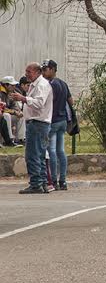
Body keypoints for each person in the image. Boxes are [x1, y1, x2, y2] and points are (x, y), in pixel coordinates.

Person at [11, 63, 53, 194]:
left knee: (33, 155)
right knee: (39, 155)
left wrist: (23, 98)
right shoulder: (36, 85)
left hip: (38, 123)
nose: (26, 74)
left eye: (29, 71)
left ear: (37, 72)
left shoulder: (41, 85)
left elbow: (39, 103)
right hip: (37, 123)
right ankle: (43, 182)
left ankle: (36, 184)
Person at [41, 60, 74, 191]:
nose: (44, 72)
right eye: (43, 69)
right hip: (63, 121)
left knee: (52, 151)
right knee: (61, 151)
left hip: (52, 120)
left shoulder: (48, 85)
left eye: (46, 69)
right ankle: (63, 181)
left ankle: (53, 180)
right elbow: (71, 101)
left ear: (53, 69)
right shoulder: (63, 84)